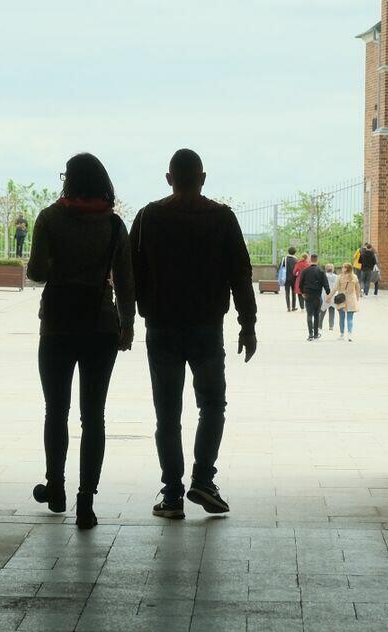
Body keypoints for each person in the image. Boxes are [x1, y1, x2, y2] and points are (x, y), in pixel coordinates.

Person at [131, 149, 257, 520]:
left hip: (161, 328)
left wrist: (129, 316)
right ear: (202, 178)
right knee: (213, 405)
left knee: (167, 414)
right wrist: (247, 323)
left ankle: (172, 495)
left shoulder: (148, 217)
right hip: (207, 328)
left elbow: (130, 272)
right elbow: (240, 274)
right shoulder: (222, 218)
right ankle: (203, 479)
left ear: (169, 179)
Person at [25, 153, 134, 530]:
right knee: (94, 416)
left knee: (56, 410)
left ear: (69, 180)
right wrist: (127, 324)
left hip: (57, 325)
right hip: (101, 325)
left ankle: (55, 488)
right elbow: (126, 281)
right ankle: (86, 501)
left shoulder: (49, 218)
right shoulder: (114, 225)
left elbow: (37, 272)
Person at [298, 253, 330, 340]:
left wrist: (302, 292)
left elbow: (300, 283)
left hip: (308, 295)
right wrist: (328, 294)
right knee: (316, 315)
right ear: (317, 260)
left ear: (310, 260)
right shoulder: (321, 271)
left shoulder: (305, 271)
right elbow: (326, 284)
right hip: (317, 296)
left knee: (309, 315)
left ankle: (310, 334)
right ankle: (316, 334)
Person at [335, 262, 360, 340]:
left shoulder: (340, 277)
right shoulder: (354, 277)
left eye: (343, 267)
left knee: (341, 318)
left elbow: (336, 288)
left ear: (346, 269)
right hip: (351, 299)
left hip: (341, 299)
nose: (342, 268)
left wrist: (330, 296)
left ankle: (342, 334)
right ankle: (349, 334)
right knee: (350, 318)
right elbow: (358, 289)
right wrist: (357, 298)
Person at [280, 247, 299, 312]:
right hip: (294, 278)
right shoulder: (296, 260)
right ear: (295, 252)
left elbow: (281, 267)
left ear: (288, 251)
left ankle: (288, 307)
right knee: (294, 293)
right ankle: (293, 307)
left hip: (286, 278)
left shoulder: (284, 259)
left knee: (287, 293)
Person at [323, 263, 338, 331]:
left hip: (324, 295)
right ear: (333, 269)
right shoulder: (336, 277)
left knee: (322, 310)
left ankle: (319, 325)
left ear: (325, 269)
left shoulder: (323, 276)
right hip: (333, 295)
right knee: (332, 311)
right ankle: (331, 326)